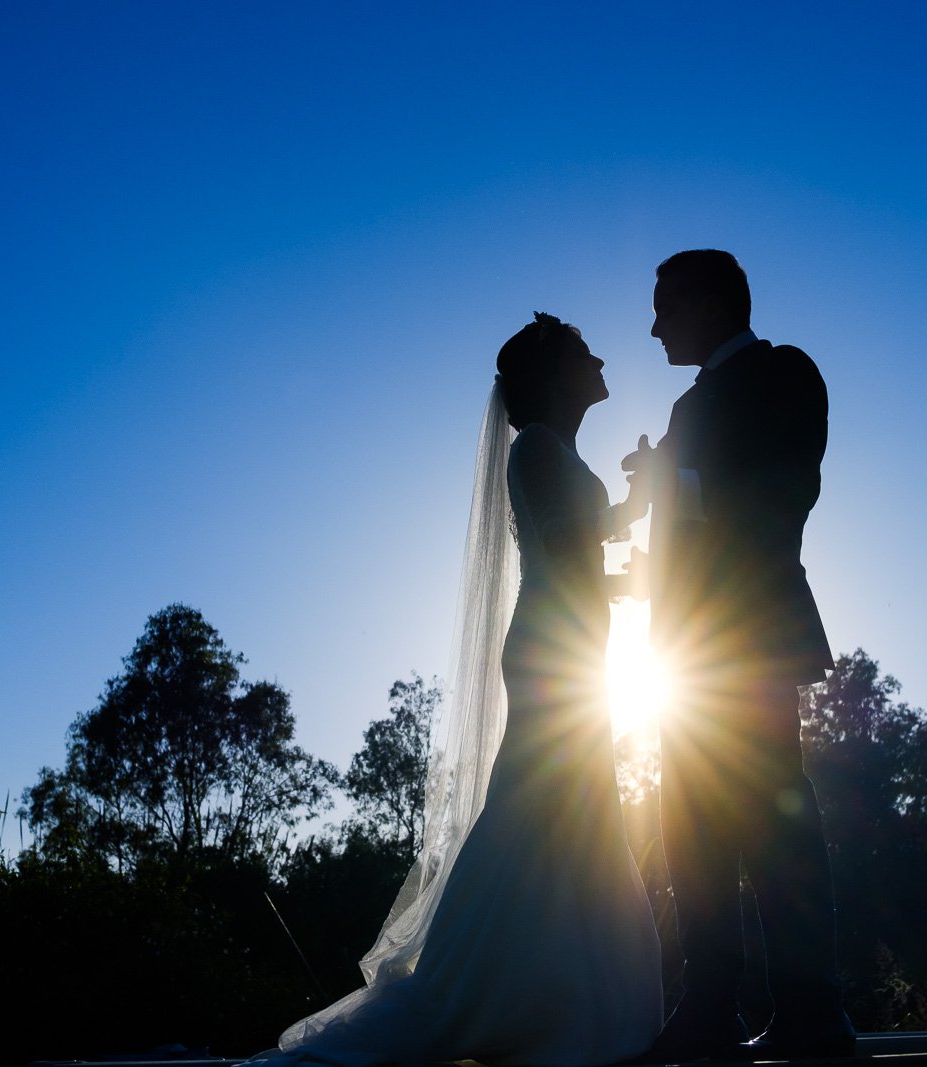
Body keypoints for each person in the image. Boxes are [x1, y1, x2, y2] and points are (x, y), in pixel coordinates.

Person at [246, 314, 662, 1067]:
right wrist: (637, 540)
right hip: (552, 653)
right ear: (557, 375)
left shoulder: (554, 450)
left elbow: (576, 547)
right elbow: (570, 555)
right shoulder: (537, 448)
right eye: (583, 350)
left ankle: (549, 989)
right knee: (541, 813)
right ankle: (491, 991)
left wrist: (634, 522)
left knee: (563, 817)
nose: (599, 356)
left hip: (572, 648)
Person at [623, 250, 855, 1060]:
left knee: (772, 820)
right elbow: (689, 530)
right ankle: (710, 1005)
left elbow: (781, 496)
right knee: (687, 824)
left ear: (714, 301)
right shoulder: (688, 407)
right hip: (682, 652)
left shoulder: (784, 374)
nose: (653, 326)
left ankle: (812, 1006)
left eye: (667, 306)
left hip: (748, 637)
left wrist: (676, 477)